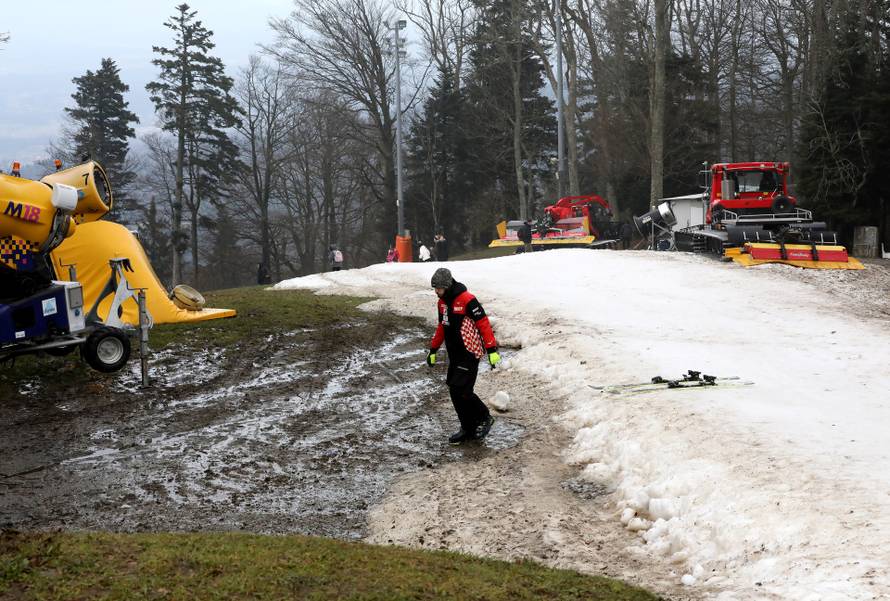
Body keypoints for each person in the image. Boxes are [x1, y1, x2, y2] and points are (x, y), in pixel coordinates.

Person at [426, 268, 500, 444]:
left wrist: (491, 350)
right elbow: (442, 326)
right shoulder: (442, 303)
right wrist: (433, 350)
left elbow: (483, 324)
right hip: (455, 354)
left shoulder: (467, 300)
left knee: (462, 390)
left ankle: (484, 418)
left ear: (447, 285)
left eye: (438, 288)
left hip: (469, 351)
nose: (436, 292)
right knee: (454, 391)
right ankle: (467, 427)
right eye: (434, 288)